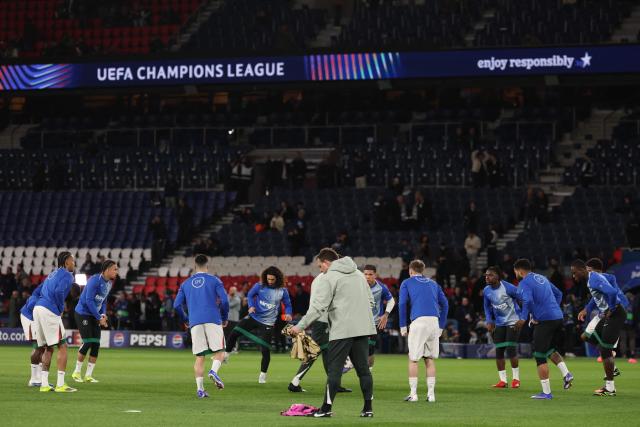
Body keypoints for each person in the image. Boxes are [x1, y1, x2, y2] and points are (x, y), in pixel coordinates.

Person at [290, 248, 376, 418]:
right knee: (364, 371)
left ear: (327, 262)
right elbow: (371, 302)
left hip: (342, 330)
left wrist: (299, 326)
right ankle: (368, 409)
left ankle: (326, 409)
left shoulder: (328, 277)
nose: (320, 270)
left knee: (334, 371)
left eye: (320, 266)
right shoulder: (359, 274)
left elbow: (318, 307)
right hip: (363, 329)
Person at [514, 258, 573, 400]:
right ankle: (566, 374)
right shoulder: (542, 277)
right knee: (550, 349)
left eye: (515, 271)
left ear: (520, 271)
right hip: (558, 317)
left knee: (539, 355)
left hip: (546, 320)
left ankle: (546, 393)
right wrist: (551, 309)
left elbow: (527, 301)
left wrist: (523, 318)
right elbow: (559, 293)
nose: (515, 274)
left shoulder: (524, 283)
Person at [174, 254, 229, 398]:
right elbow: (224, 301)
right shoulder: (214, 280)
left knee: (200, 356)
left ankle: (200, 390)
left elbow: (176, 305)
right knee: (220, 350)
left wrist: (186, 319)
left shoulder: (185, 284)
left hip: (195, 321)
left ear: (194, 265)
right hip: (212, 318)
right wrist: (224, 317)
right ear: (207, 265)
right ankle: (214, 372)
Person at [224, 266, 292, 384]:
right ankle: (226, 354)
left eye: (272, 279)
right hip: (254, 317)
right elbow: (250, 295)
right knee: (235, 332)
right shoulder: (259, 286)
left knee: (265, 349)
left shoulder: (282, 291)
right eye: (268, 279)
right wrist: (251, 306)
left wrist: (288, 313)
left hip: (268, 322)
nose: (270, 281)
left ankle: (262, 376)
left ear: (278, 279)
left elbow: (288, 304)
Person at [571, 259, 626, 396]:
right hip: (608, 314)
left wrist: (612, 308)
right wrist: (586, 309)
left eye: (574, 272)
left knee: (605, 349)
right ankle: (611, 377)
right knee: (589, 338)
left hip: (615, 313)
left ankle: (610, 388)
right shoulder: (593, 278)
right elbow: (601, 291)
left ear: (583, 269)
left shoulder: (594, 278)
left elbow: (612, 292)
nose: (573, 276)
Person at [399, 260, 448, 403]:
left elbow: (402, 303)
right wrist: (441, 326)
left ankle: (413, 394)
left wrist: (403, 325)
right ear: (423, 270)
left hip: (418, 322)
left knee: (413, 359)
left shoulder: (407, 283)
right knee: (429, 359)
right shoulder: (434, 284)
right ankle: (431, 395)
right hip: (434, 322)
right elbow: (445, 304)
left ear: (410, 270)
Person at [32, 251, 77, 393]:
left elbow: (42, 291)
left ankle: (44, 384)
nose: (74, 263)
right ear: (66, 262)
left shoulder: (52, 274)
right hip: (49, 310)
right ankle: (61, 384)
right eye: (72, 261)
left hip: (38, 308)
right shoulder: (68, 276)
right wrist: (60, 308)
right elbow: (59, 292)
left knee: (48, 347)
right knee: (62, 346)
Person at [72, 260, 118, 384]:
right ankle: (76, 372)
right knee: (87, 342)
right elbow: (89, 301)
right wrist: (99, 317)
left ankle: (88, 375)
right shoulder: (94, 280)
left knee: (96, 344)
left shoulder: (109, 283)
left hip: (95, 315)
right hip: (83, 313)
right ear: (107, 270)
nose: (116, 271)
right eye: (115, 269)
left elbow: (103, 300)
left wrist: (103, 315)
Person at [483, 266, 521, 388]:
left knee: (510, 350)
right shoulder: (486, 290)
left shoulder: (509, 288)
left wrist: (522, 316)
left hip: (513, 321)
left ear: (498, 276)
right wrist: (489, 320)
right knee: (499, 352)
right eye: (486, 275)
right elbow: (487, 307)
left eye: (490, 275)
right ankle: (503, 381)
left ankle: (516, 379)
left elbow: (524, 299)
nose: (487, 277)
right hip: (499, 323)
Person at [363, 265, 395, 369]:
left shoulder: (381, 287)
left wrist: (386, 314)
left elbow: (391, 300)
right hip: (359, 322)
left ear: (375, 275)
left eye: (370, 274)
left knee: (370, 348)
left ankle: (369, 371)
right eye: (365, 274)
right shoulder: (358, 286)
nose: (367, 277)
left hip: (374, 323)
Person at [19, 284, 44, 387]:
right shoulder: (35, 299)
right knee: (37, 345)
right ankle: (33, 379)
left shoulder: (49, 283)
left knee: (42, 346)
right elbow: (31, 304)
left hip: (37, 316)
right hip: (30, 317)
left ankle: (40, 378)